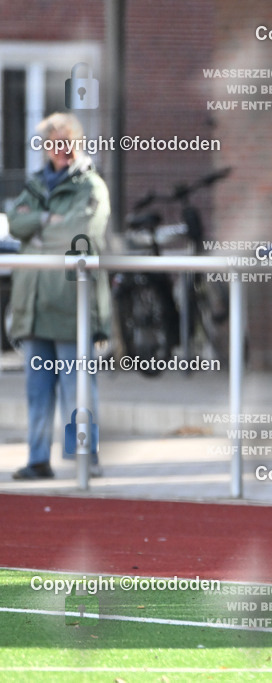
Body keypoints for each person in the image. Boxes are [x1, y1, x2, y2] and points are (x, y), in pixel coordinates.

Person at [8, 112, 110, 481]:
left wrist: (36, 229)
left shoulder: (92, 187)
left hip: (72, 304)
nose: (59, 150)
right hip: (33, 304)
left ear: (78, 142)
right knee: (37, 391)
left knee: (77, 388)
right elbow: (13, 223)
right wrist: (46, 222)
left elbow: (78, 235)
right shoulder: (34, 186)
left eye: (66, 142)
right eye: (53, 143)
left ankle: (85, 457)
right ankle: (38, 459)